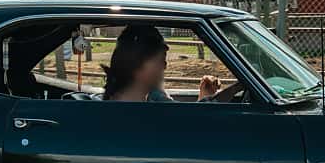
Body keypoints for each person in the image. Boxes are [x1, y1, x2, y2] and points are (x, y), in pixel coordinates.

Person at [101, 24, 242, 103]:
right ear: (139, 64)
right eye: (161, 60)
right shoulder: (131, 116)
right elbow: (184, 123)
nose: (165, 66)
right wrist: (239, 86)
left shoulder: (153, 98)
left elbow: (187, 118)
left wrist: (205, 96)